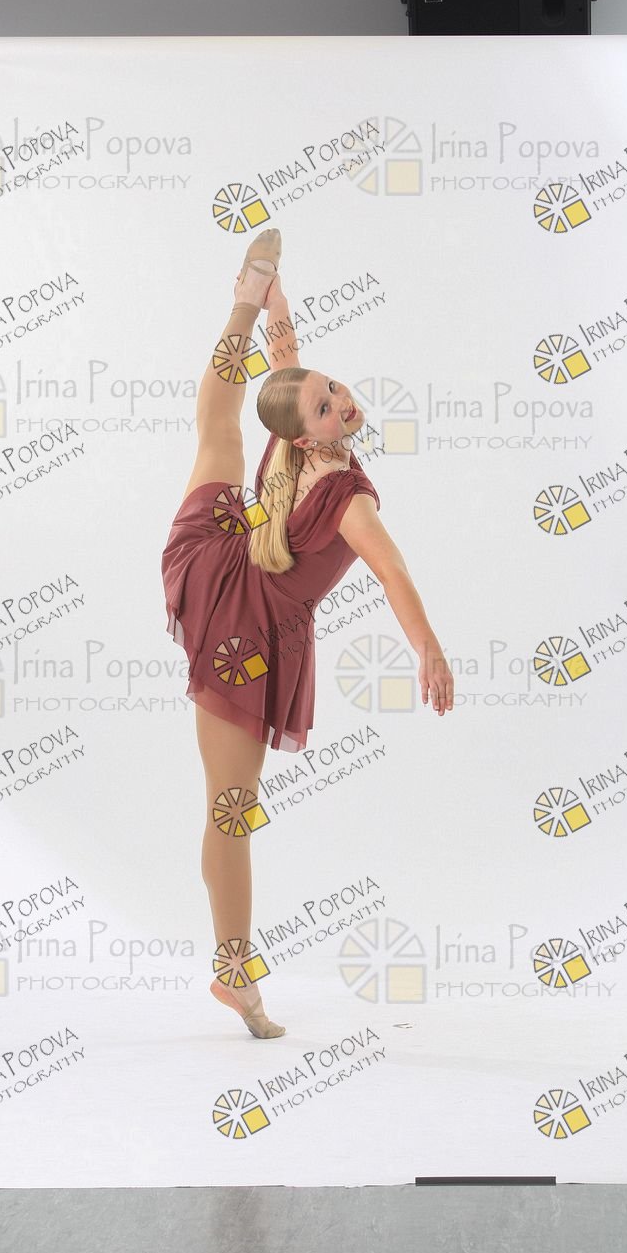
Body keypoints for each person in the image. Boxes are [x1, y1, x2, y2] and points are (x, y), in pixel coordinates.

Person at [161, 228, 453, 1039]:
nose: (341, 403)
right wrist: (428, 649)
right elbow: (392, 571)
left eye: (336, 390)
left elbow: (288, 368)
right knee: (230, 808)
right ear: (305, 433)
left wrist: (271, 303)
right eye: (326, 406)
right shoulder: (345, 495)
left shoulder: (303, 442)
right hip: (242, 623)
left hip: (222, 562)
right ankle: (235, 971)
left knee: (218, 426)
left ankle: (239, 301)